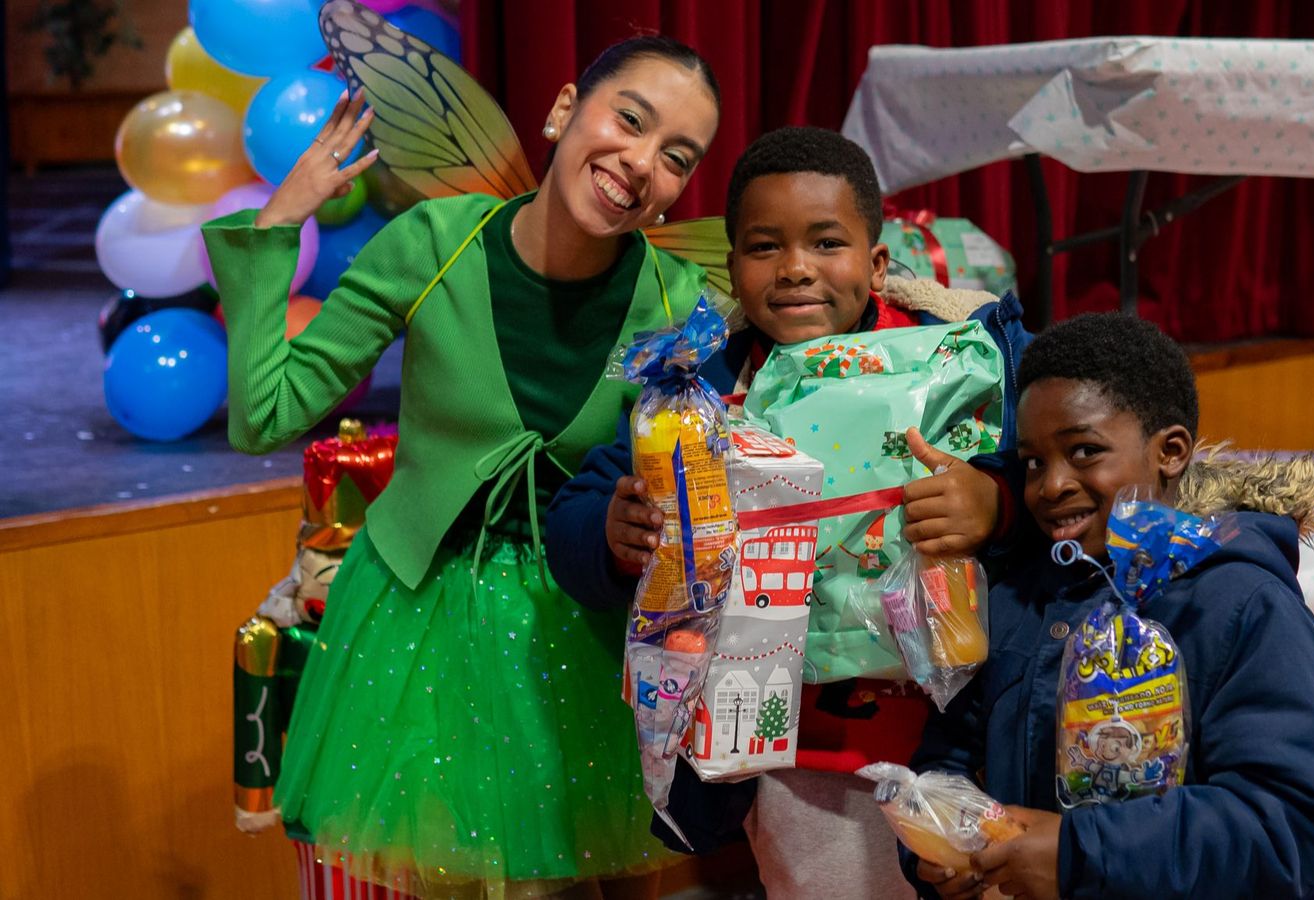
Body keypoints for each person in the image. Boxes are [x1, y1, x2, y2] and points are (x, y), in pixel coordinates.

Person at [202, 35, 723, 900]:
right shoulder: (433, 242)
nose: (641, 163)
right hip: (419, 627)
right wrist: (276, 227)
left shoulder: (679, 306)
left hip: (584, 639)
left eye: (677, 157)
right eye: (630, 121)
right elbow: (266, 417)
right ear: (564, 111)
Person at [545, 125, 1031, 899]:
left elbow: (1065, 481)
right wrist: (612, 533)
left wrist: (996, 501)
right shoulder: (699, 387)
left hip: (961, 735)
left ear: (877, 263)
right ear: (732, 268)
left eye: (827, 242)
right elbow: (577, 508)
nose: (796, 267)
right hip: (791, 755)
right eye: (764, 246)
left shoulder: (959, 360)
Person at [902, 313, 1314, 900]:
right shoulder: (1016, 599)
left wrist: (1078, 856)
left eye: (1085, 451)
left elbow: (1293, 823)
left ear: (1170, 451)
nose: (1051, 486)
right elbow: (948, 756)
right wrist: (935, 843)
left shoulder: (1240, 604)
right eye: (1034, 462)